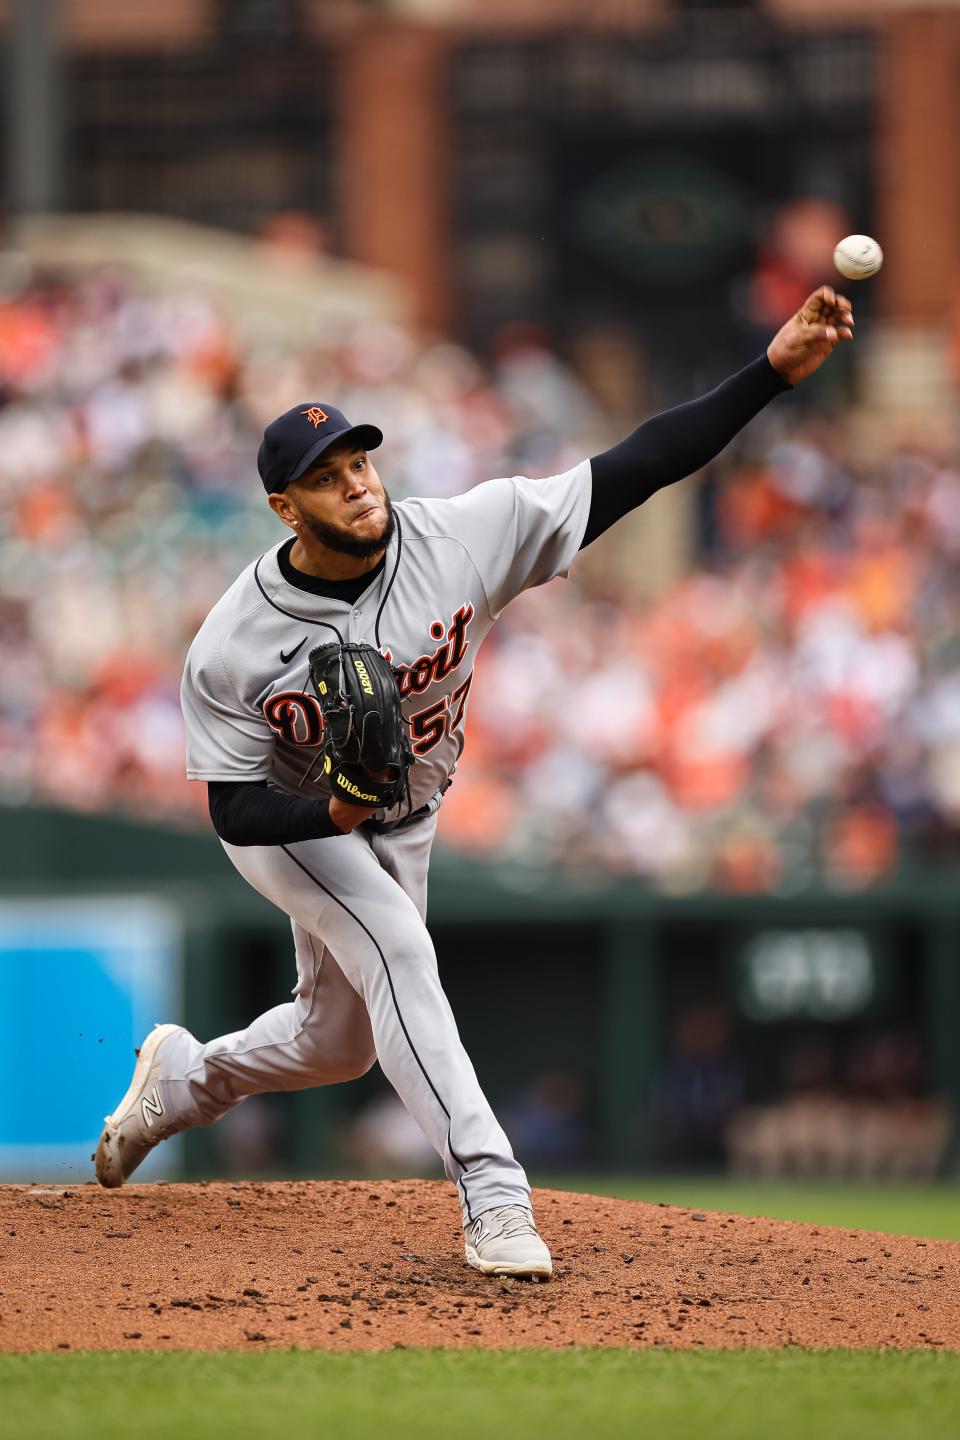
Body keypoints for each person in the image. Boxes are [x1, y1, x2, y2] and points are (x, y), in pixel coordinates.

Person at [94, 288, 854, 1278]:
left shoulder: (463, 534)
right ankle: (493, 1194)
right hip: (291, 825)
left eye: (359, 461)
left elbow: (636, 467)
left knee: (339, 1045)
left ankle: (190, 1078)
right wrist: (331, 811)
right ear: (286, 508)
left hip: (408, 810)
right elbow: (231, 805)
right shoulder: (234, 643)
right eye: (326, 480)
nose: (357, 486)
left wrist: (771, 375)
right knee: (400, 947)